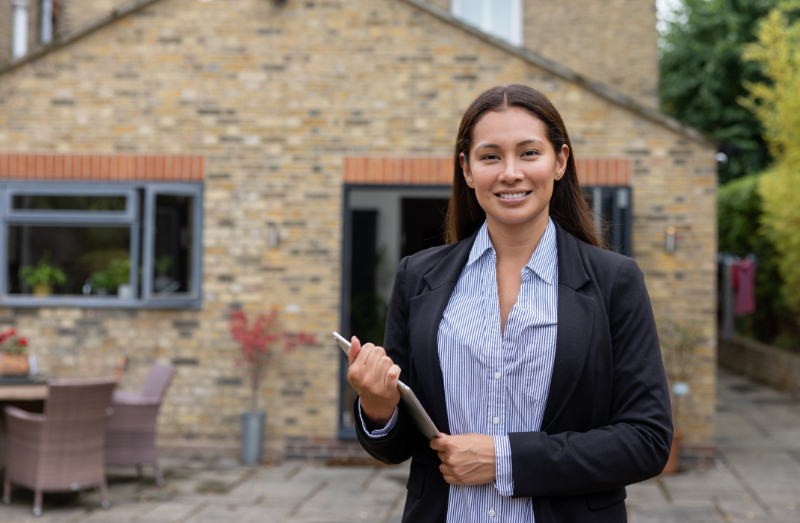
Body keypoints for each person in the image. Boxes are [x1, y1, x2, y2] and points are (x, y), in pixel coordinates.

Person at [346, 84, 672, 523]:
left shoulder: (614, 282)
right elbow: (399, 443)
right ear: (467, 169)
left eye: (529, 153)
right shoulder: (417, 278)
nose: (510, 172)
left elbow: (646, 440)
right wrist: (377, 406)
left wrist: (503, 459)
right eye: (490, 156)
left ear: (560, 162)